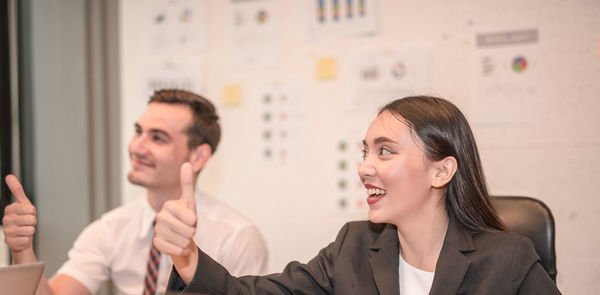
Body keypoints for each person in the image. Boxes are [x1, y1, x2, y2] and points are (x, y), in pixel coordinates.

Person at [155, 96, 561, 294]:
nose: (365, 166)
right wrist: (187, 255)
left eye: (385, 151)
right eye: (365, 151)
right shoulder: (355, 245)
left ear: (441, 170)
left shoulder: (508, 260)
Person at [2, 89, 269, 295]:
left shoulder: (236, 236)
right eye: (138, 132)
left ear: (199, 156)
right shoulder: (112, 228)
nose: (136, 147)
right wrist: (23, 250)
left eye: (157, 138)